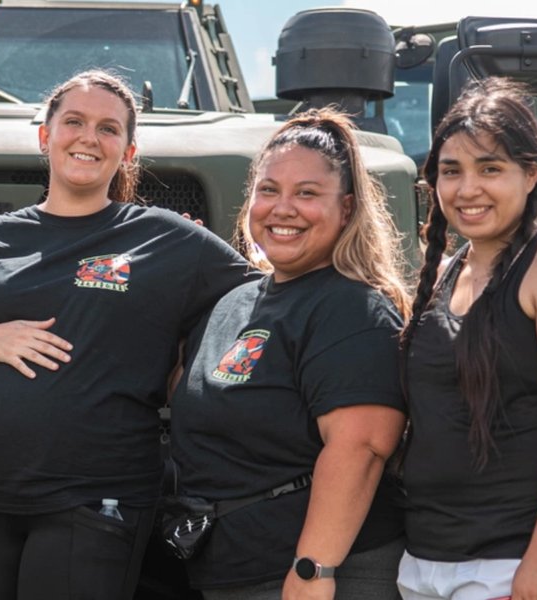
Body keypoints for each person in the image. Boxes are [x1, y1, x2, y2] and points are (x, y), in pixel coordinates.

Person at [0, 69, 255, 599]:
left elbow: (261, 299)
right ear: (45, 136)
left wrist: (187, 363)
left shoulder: (168, 238)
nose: (89, 137)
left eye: (108, 128)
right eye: (74, 121)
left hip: (97, 502)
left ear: (129, 150)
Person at [168, 108, 411, 599]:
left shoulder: (351, 306)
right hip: (233, 573)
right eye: (269, 190)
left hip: (320, 578)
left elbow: (361, 448)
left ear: (346, 209)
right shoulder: (233, 304)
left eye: (307, 193)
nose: (283, 208)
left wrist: (313, 570)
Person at [398, 78, 537, 600]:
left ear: (532, 173)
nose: (467, 189)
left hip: (517, 562)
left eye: (490, 168)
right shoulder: (444, 273)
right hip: (428, 559)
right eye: (452, 172)